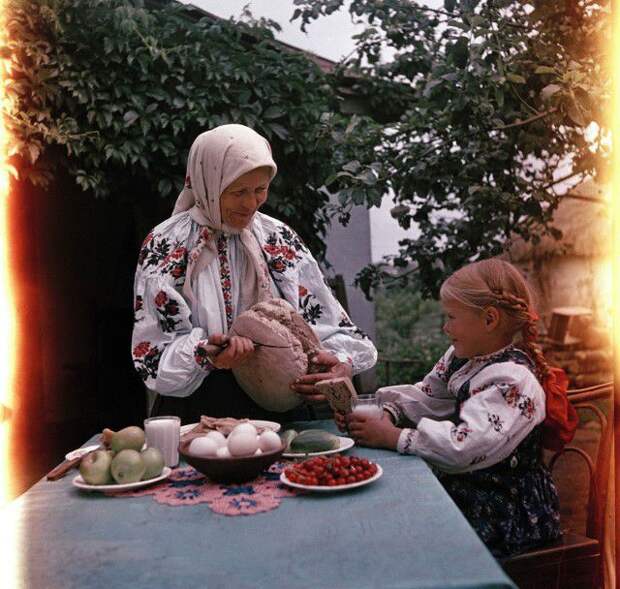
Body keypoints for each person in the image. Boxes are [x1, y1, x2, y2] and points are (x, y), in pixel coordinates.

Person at [131, 124, 377, 423]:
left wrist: (339, 362)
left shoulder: (277, 237)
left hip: (283, 408)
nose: (251, 203)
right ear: (208, 182)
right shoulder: (166, 245)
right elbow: (154, 354)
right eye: (238, 192)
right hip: (199, 412)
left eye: (260, 190)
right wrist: (206, 354)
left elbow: (326, 325)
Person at [338, 259, 561, 557]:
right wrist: (388, 412)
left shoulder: (513, 380)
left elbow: (465, 447)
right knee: (385, 508)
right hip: (467, 486)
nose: (445, 327)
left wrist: (394, 437)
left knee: (407, 535)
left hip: (504, 508)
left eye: (452, 317)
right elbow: (428, 398)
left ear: (489, 319)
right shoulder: (462, 357)